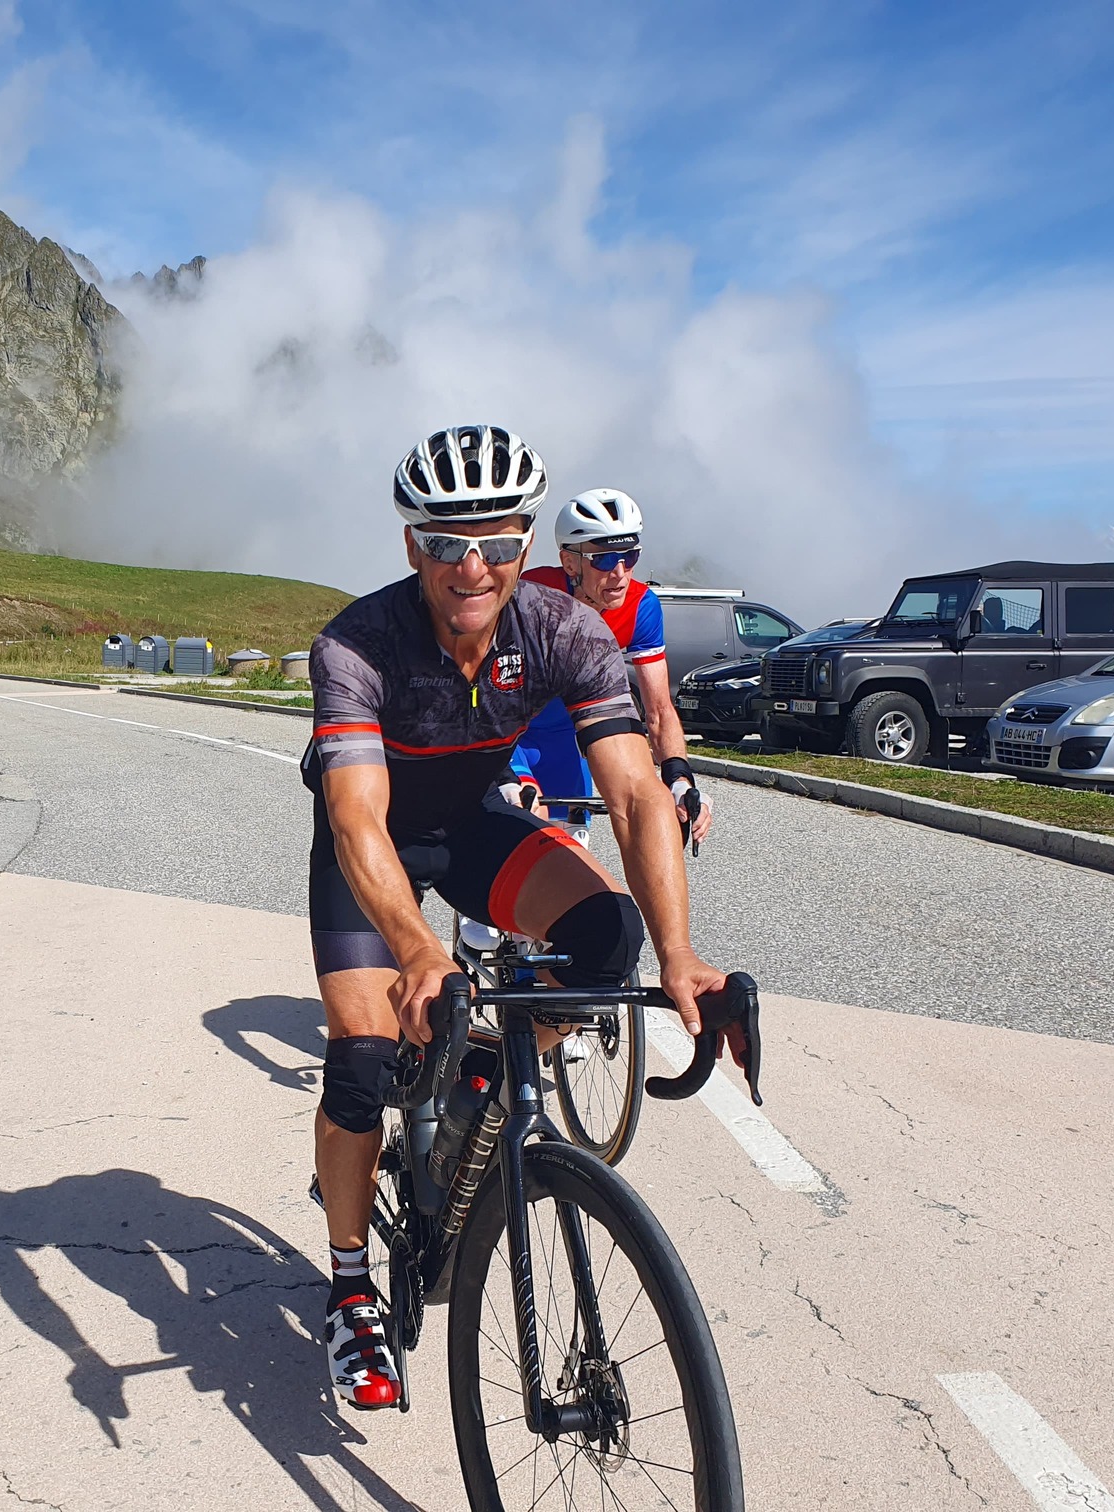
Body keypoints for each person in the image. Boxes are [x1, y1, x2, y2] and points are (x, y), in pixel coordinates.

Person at [304, 424, 729, 1409]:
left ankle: (486, 1082)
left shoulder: (565, 630)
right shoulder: (357, 644)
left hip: (475, 828)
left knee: (608, 937)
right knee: (362, 1060)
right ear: (412, 546)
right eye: (446, 543)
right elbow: (357, 818)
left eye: (496, 542)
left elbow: (635, 795)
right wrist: (419, 951)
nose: (472, 567)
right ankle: (350, 1283)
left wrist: (680, 954)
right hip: (373, 848)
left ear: (526, 542)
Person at [512, 488, 714, 845]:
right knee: (510, 841)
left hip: (564, 739)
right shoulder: (531, 593)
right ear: (569, 563)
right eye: (603, 560)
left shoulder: (640, 606)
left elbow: (659, 711)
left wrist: (679, 779)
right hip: (510, 735)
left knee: (568, 855)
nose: (620, 573)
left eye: (630, 556)